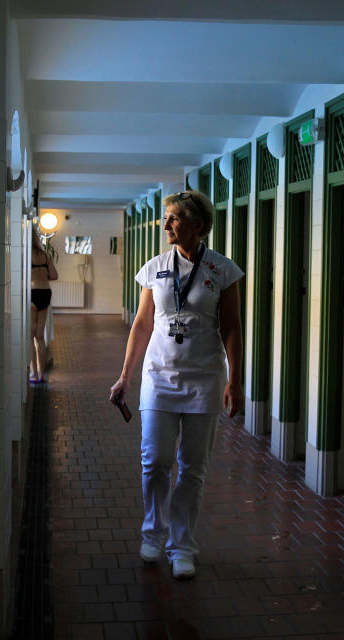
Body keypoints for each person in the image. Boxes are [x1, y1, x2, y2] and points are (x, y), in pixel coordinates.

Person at [109, 190, 244, 580]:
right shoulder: (154, 268)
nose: (166, 224)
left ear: (198, 225)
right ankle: (153, 533)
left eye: (174, 218)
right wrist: (124, 376)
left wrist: (235, 381)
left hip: (204, 379)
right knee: (155, 461)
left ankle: (182, 545)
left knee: (192, 468)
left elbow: (232, 328)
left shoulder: (222, 270)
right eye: (165, 217)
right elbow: (141, 325)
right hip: (159, 377)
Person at [30, 227, 58, 384]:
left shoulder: (27, 254)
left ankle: (33, 373)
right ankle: (41, 374)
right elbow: (54, 275)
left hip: (33, 293)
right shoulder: (45, 255)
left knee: (30, 336)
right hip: (46, 293)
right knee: (39, 336)